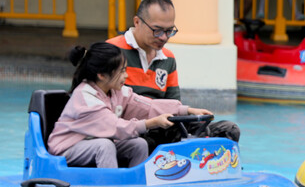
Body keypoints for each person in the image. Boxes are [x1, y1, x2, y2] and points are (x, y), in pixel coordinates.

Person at [47, 42, 213, 169]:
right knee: (104, 146)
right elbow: (117, 127)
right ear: (102, 75)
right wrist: (153, 123)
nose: (126, 76)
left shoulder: (117, 91)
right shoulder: (86, 99)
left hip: (92, 142)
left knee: (138, 144)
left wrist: (186, 110)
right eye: (121, 71)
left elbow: (147, 106)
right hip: (66, 150)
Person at [108, 0, 240, 147]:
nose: (164, 37)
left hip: (163, 126)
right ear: (137, 22)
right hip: (130, 130)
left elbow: (174, 104)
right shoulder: (112, 52)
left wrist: (190, 113)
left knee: (227, 130)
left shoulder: (168, 58)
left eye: (169, 31)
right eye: (157, 31)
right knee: (143, 143)